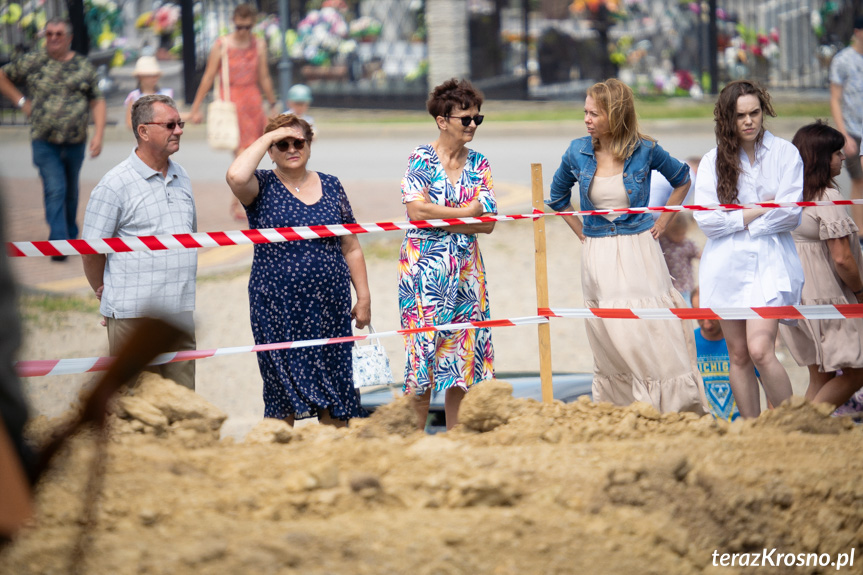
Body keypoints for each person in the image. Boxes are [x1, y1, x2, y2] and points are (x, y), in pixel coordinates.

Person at [548, 78, 707, 415]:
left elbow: (682, 179)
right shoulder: (577, 150)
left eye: (594, 113)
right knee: (612, 330)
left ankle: (669, 405)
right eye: (585, 112)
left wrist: (663, 219)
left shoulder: (645, 149)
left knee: (645, 328)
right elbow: (558, 198)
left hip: (639, 248)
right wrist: (582, 232)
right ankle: (623, 407)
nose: (587, 119)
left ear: (615, 115)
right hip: (599, 254)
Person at [226, 114, 370, 427]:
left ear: (309, 144)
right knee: (280, 389)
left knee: (336, 386)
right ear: (271, 151)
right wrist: (267, 137)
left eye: (298, 141)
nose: (292, 148)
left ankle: (336, 461)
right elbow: (236, 176)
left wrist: (363, 296)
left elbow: (351, 246)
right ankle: (281, 462)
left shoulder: (331, 185)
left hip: (329, 305)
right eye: (282, 144)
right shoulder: (260, 185)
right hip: (277, 306)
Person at [694, 80, 804, 419]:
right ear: (728, 118)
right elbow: (707, 221)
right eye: (740, 115)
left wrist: (740, 219)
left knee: (760, 349)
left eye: (754, 112)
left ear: (763, 111)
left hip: (770, 264)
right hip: (726, 267)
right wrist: (758, 209)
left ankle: (793, 424)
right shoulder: (713, 160)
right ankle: (751, 430)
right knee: (738, 355)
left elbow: (790, 214)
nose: (749, 121)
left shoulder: (785, 153)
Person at [398, 78, 497, 431]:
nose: (473, 125)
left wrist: (448, 217)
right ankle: (412, 444)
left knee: (463, 367)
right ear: (442, 121)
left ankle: (457, 442)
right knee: (421, 365)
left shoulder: (479, 162)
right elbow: (415, 212)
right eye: (465, 119)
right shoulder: (421, 158)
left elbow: (488, 225)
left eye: (477, 119)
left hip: (468, 275)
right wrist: (466, 213)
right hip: (424, 274)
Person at [82, 95, 198, 391]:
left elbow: (190, 236)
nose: (179, 130)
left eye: (180, 123)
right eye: (170, 124)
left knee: (184, 411)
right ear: (143, 131)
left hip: (179, 316)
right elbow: (91, 252)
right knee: (135, 411)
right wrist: (108, 294)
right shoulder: (114, 184)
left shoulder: (181, 175)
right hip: (133, 317)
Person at [0, 18, 106, 257]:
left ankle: (69, 231)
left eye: (59, 34)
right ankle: (59, 243)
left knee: (70, 191)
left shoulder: (83, 66)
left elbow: (97, 100)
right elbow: (3, 76)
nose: (54, 38)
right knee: (55, 187)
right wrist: (22, 102)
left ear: (69, 38)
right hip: (44, 140)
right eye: (49, 34)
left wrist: (99, 134)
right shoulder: (33, 61)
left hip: (75, 141)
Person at [778, 121, 863, 408]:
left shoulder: (791, 196)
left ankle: (795, 434)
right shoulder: (828, 198)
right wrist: (860, 291)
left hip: (796, 295)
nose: (842, 157)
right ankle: (806, 424)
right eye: (836, 153)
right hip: (826, 297)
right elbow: (842, 258)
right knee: (857, 372)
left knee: (821, 375)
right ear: (821, 158)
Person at [189, 3, 278, 220]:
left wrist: (273, 103)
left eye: (247, 27)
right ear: (233, 23)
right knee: (242, 153)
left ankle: (240, 201)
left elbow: (264, 76)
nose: (243, 31)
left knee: (248, 154)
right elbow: (208, 77)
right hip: (232, 104)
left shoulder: (258, 44)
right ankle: (241, 201)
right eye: (239, 27)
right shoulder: (222, 45)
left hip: (253, 102)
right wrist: (195, 108)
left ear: (253, 25)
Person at [829, 16, 863, 233]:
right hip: (853, 131)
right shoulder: (843, 60)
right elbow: (835, 98)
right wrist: (844, 136)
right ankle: (860, 232)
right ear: (858, 32)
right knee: (859, 181)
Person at [691, 288, 741, 421]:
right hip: (703, 427)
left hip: (741, 427)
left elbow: (767, 383)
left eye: (711, 315)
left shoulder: (740, 341)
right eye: (700, 317)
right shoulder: (689, 343)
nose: (707, 324)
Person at [658, 213, 700, 306]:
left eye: (682, 234)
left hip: (685, 285)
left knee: (686, 306)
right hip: (669, 286)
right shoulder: (663, 243)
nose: (678, 237)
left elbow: (699, 254)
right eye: (675, 233)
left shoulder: (687, 244)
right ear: (668, 231)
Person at [124, 55, 173, 130]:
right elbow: (129, 122)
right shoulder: (134, 97)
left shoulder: (165, 95)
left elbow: (172, 115)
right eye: (150, 75)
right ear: (140, 77)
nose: (154, 78)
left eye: (156, 75)